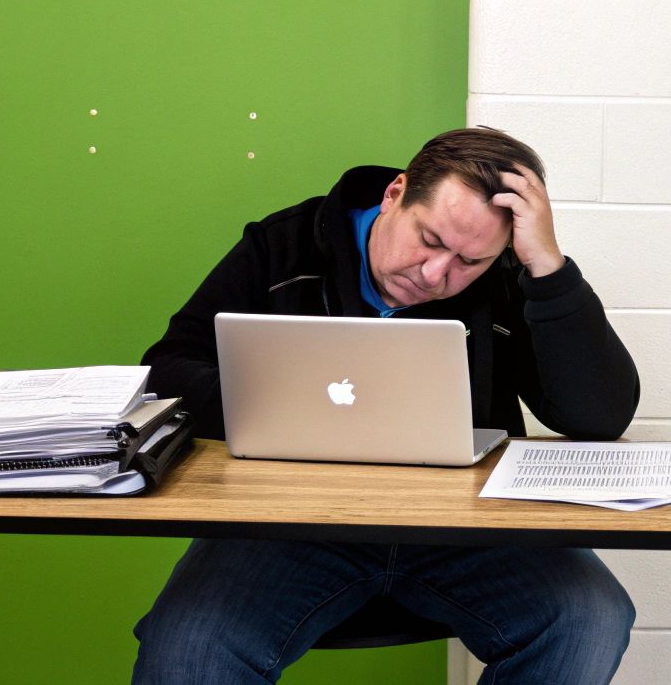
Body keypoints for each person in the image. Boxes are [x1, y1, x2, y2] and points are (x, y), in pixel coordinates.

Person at [131, 127, 641, 684]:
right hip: (292, 527)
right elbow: (165, 372)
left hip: (463, 530)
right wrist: (276, 402)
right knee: (187, 644)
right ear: (395, 193)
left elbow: (598, 416)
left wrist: (549, 269)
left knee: (590, 618)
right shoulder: (284, 246)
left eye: (468, 261)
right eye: (429, 239)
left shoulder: (510, 278)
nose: (434, 274)